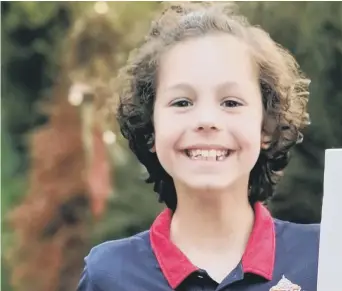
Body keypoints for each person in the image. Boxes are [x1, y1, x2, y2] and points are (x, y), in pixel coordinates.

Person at [77, 2, 320, 291]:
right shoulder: (109, 274)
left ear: (266, 128)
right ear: (151, 130)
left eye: (231, 102)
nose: (206, 120)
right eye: (182, 102)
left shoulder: (325, 258)